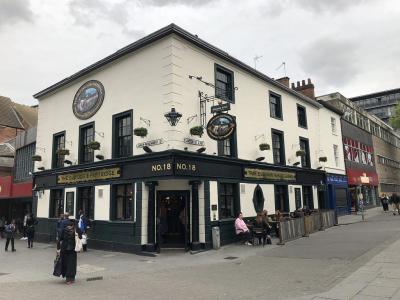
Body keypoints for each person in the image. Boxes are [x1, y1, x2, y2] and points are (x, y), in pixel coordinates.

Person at [59, 218, 82, 284]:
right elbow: (80, 237)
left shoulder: (64, 229)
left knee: (66, 263)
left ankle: (67, 278)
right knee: (72, 263)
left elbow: (60, 238)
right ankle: (71, 278)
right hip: (73, 249)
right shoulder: (77, 229)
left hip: (65, 249)